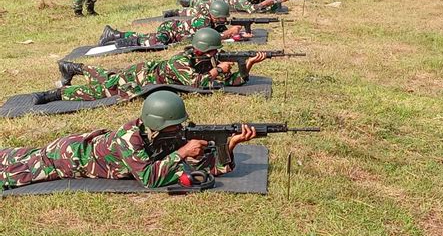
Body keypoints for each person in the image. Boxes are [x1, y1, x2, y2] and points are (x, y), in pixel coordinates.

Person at [0, 91, 257, 190]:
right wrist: (181, 153)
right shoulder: (129, 139)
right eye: (175, 126)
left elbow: (205, 168)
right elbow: (148, 179)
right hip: (66, 157)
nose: (180, 130)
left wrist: (229, 146)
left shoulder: (161, 137)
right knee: (16, 171)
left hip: (80, 148)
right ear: (159, 125)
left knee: (17, 155)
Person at [32, 28, 267, 103]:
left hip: (144, 75)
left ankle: (74, 68)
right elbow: (198, 84)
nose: (218, 55)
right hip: (140, 78)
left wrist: (246, 66)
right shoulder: (181, 62)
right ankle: (56, 94)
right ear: (204, 50)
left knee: (107, 76)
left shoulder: (205, 59)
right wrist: (217, 70)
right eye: (215, 51)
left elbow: (231, 81)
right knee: (101, 90)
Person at [98, 0, 251, 47]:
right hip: (170, 30)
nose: (224, 21)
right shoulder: (203, 22)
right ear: (215, 16)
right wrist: (227, 34)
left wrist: (239, 34)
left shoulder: (211, 20)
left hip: (175, 30)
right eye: (223, 18)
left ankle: (115, 33)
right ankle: (120, 39)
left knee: (150, 37)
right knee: (156, 41)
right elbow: (200, 40)